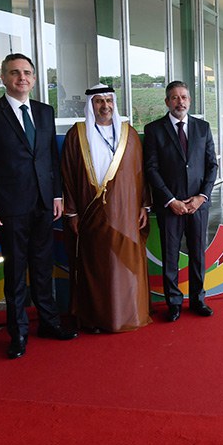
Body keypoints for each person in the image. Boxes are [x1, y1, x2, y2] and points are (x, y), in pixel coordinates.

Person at [0, 53, 77, 359]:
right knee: (16, 272)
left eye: (27, 72)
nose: (22, 78)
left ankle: (49, 323)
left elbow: (49, 159)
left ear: (34, 77)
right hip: (8, 208)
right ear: (3, 78)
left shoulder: (44, 112)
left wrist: (56, 195)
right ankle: (18, 334)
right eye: (15, 73)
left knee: (43, 268)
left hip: (44, 204)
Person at [61, 84, 152, 333]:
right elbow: (67, 175)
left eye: (109, 101)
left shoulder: (128, 134)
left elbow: (140, 174)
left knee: (124, 266)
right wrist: (72, 212)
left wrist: (144, 205)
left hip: (125, 214)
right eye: (99, 101)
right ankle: (96, 318)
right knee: (97, 267)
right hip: (90, 216)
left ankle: (129, 314)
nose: (105, 106)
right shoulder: (77, 134)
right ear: (91, 105)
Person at [144, 81, 218, 322]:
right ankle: (173, 303)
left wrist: (201, 197)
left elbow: (211, 165)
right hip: (170, 206)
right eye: (174, 98)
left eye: (184, 97)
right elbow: (151, 168)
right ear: (167, 102)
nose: (180, 102)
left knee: (198, 254)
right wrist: (170, 200)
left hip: (198, 204)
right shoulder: (154, 130)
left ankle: (198, 300)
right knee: (170, 256)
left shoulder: (203, 128)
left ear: (190, 100)